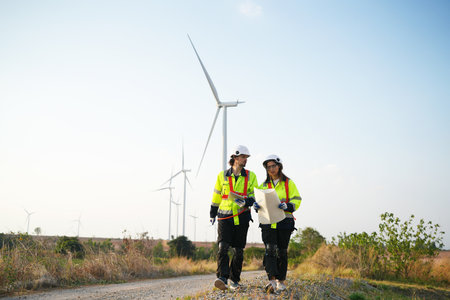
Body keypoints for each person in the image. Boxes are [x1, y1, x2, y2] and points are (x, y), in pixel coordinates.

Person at [210, 145, 258, 291]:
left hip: (242, 217)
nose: (245, 160)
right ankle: (222, 278)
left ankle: (234, 280)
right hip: (224, 217)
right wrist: (213, 212)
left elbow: (255, 195)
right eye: (243, 157)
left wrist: (247, 201)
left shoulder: (251, 176)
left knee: (238, 250)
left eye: (246, 158)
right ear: (235, 158)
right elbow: (217, 195)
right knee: (222, 247)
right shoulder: (222, 175)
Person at [253, 154, 302, 293]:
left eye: (273, 166)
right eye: (268, 167)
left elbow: (297, 199)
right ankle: (272, 281)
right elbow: (260, 202)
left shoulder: (289, 183)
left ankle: (281, 281)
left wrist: (289, 206)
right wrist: (256, 206)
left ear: (279, 166)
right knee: (269, 250)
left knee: (281, 251)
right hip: (268, 222)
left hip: (284, 221)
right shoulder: (263, 185)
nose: (271, 169)